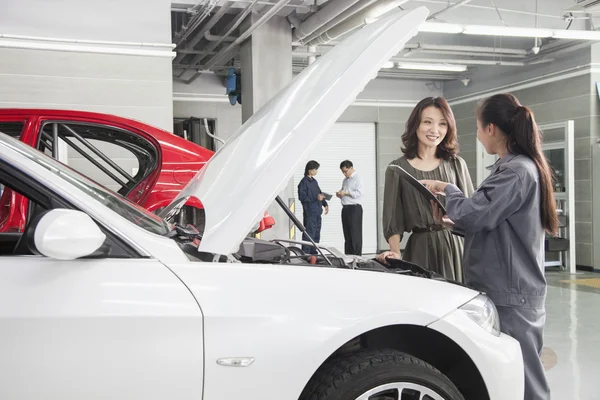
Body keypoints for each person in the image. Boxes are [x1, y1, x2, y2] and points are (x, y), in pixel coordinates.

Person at [421, 93, 556, 400]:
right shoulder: (510, 168)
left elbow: (476, 213)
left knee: (526, 380)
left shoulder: (516, 171)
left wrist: (451, 190)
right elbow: (493, 223)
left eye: (479, 129)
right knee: (506, 375)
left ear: (492, 129)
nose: (478, 136)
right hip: (505, 288)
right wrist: (450, 223)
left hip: (511, 292)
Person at [376, 97, 474, 282]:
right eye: (427, 122)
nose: (435, 130)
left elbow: (469, 211)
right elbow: (392, 216)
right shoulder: (397, 168)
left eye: (442, 124)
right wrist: (395, 252)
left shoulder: (456, 164)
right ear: (415, 125)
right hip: (420, 248)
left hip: (455, 247)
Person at [298, 160, 328, 254]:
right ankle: (306, 254)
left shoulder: (314, 181)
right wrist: (316, 197)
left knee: (316, 234)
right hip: (310, 212)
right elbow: (302, 197)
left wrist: (325, 203)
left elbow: (319, 193)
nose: (316, 171)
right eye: (315, 169)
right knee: (309, 234)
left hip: (317, 212)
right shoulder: (303, 182)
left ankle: (314, 254)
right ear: (310, 170)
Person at [336, 160, 364, 256]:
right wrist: (340, 193)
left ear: (351, 168)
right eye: (343, 172)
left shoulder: (358, 178)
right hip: (345, 208)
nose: (344, 173)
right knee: (347, 234)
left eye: (345, 171)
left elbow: (359, 193)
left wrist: (346, 193)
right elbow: (344, 191)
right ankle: (348, 256)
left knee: (355, 234)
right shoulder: (345, 180)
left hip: (354, 209)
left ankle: (357, 256)